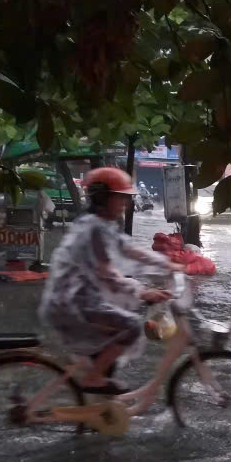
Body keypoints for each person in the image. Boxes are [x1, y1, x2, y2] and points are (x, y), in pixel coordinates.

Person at [38, 166, 179, 394]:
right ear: (103, 198)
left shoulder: (101, 224)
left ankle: (97, 407)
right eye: (120, 199)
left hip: (78, 299)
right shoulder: (93, 229)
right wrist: (142, 291)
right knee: (131, 326)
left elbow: (130, 250)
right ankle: (92, 379)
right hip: (73, 304)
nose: (124, 204)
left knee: (111, 344)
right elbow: (107, 274)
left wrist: (168, 264)